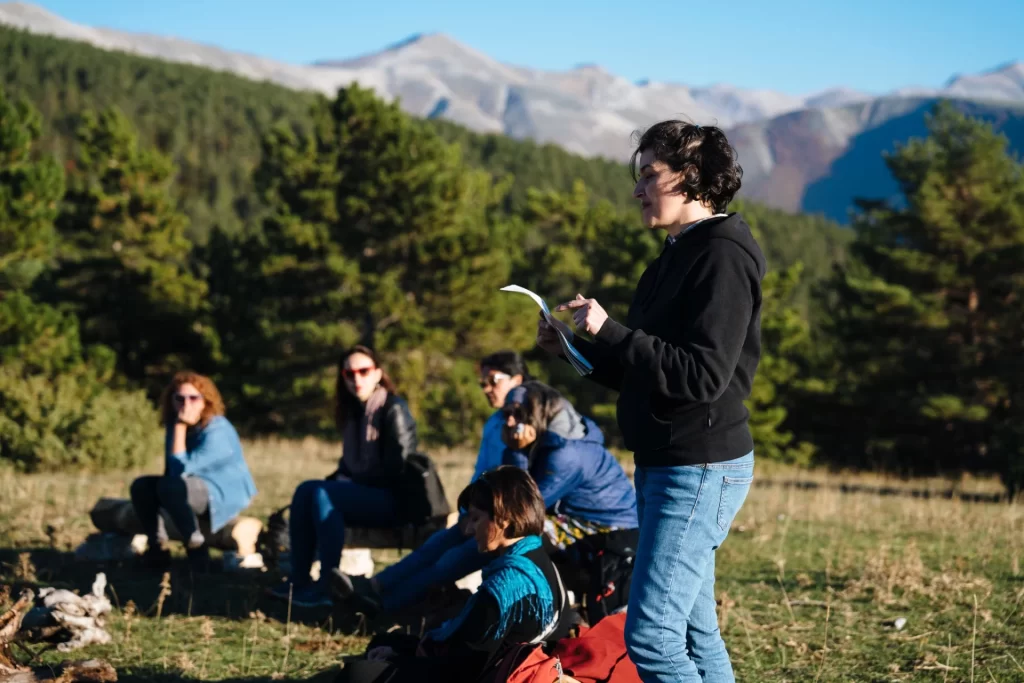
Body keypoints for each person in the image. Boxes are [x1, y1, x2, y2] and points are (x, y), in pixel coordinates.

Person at [536, 121, 763, 683]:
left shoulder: (722, 256)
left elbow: (703, 376)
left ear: (690, 177)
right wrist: (575, 349)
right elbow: (650, 370)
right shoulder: (674, 254)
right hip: (668, 462)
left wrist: (611, 330)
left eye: (648, 176)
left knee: (653, 638)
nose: (637, 190)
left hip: (698, 465)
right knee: (689, 629)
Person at [330, 350, 528, 614]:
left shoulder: (526, 427)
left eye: (494, 381)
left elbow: (521, 487)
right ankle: (373, 587)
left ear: (517, 380)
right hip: (480, 513)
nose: (487, 389)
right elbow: (482, 472)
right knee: (434, 546)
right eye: (483, 383)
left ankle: (383, 608)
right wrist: (470, 510)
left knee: (448, 562)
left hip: (505, 522)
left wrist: (486, 516)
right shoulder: (494, 422)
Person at [336, 466, 571, 683]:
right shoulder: (539, 560)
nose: (469, 529)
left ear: (505, 520)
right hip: (499, 666)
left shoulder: (506, 586)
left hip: (484, 675)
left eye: (476, 519)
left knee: (356, 675)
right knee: (385, 642)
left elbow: (461, 669)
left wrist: (401, 660)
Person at [269, 345, 418, 608]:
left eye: (364, 371)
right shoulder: (354, 412)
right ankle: (300, 580)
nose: (356, 378)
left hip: (395, 500)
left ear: (378, 373)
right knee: (306, 490)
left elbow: (400, 468)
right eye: (349, 373)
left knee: (322, 494)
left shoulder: (392, 408)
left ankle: (328, 585)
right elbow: (349, 467)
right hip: (364, 494)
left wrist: (352, 483)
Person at [131, 371, 257, 570]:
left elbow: (181, 469)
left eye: (193, 398)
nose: (186, 404)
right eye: (179, 398)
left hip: (222, 492)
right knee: (142, 486)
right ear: (170, 401)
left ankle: (195, 546)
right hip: (189, 488)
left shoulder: (217, 429)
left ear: (205, 401)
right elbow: (171, 471)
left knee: (170, 487)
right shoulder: (176, 426)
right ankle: (158, 547)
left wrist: (180, 426)